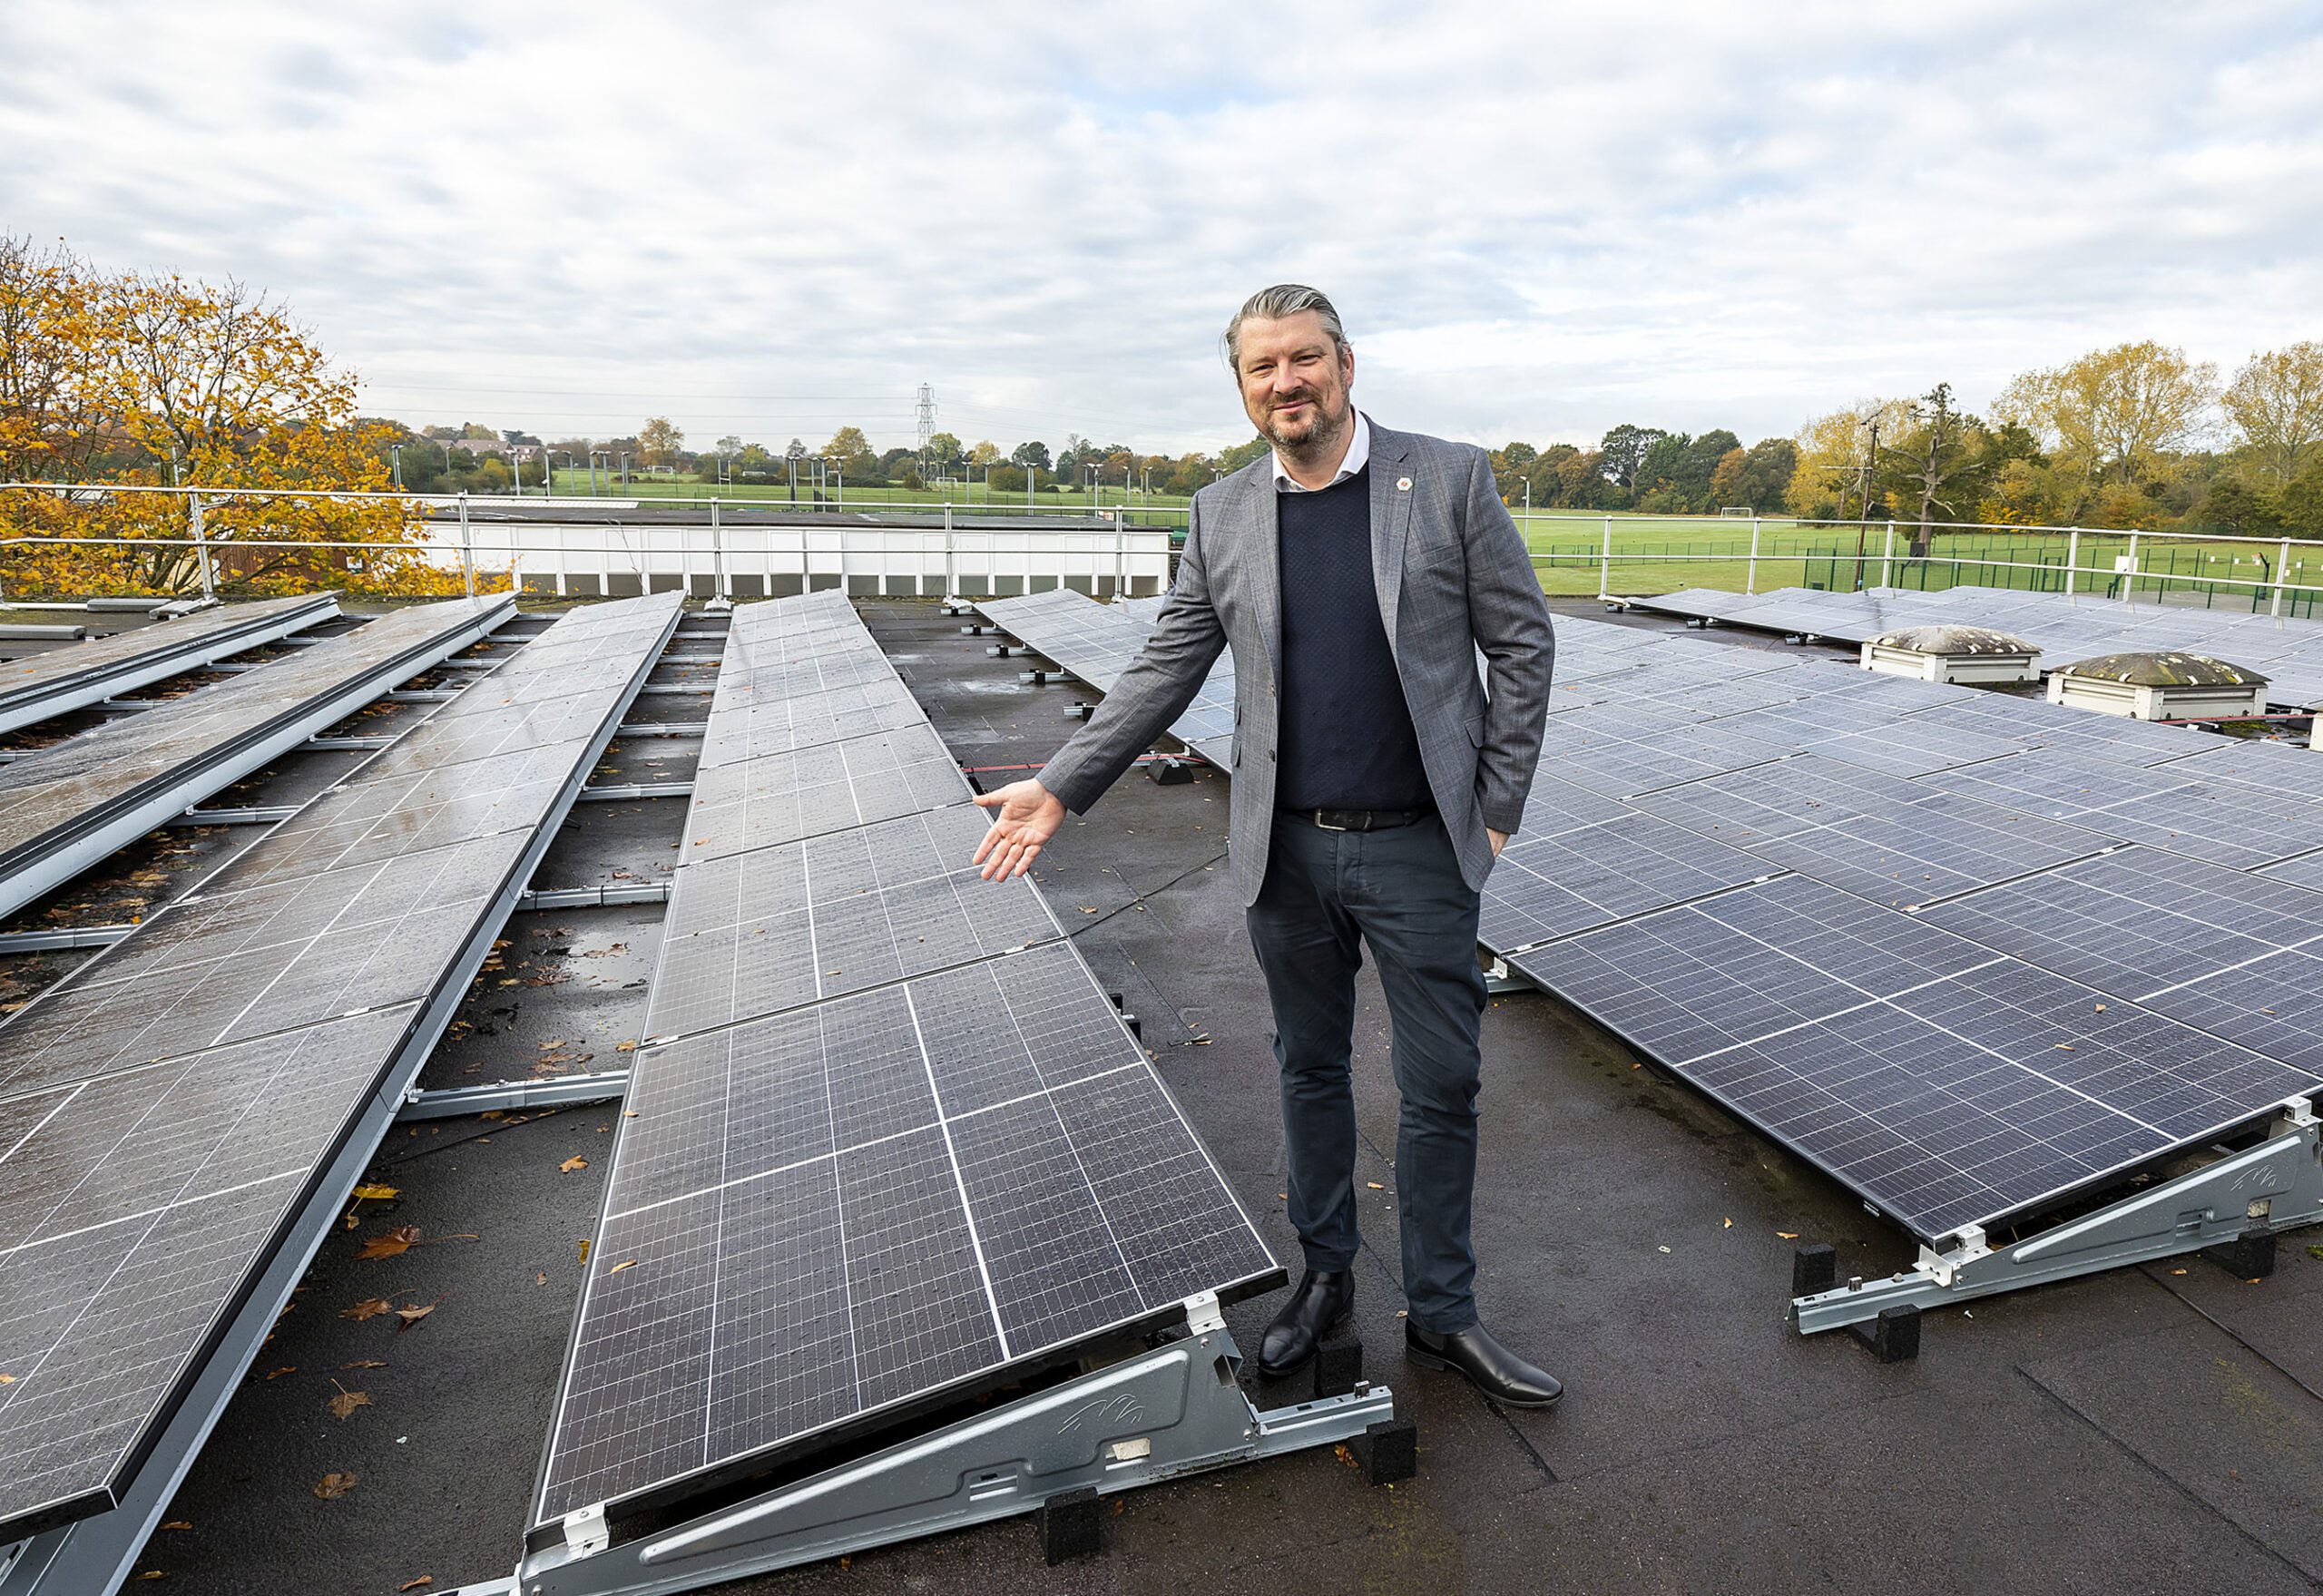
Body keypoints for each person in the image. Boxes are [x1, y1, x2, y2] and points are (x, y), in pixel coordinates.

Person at [971, 284, 1561, 1406]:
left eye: (1303, 359)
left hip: (1422, 850)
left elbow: (1520, 646)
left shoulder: (1446, 478)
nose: (1285, 383)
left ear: (1345, 362)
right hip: (1285, 852)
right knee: (1308, 1068)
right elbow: (1163, 666)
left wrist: (1495, 806)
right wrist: (1061, 786)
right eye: (1261, 369)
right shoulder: (1220, 513)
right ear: (1243, 388)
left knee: (1442, 1085)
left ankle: (1442, 1311)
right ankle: (1325, 1275)